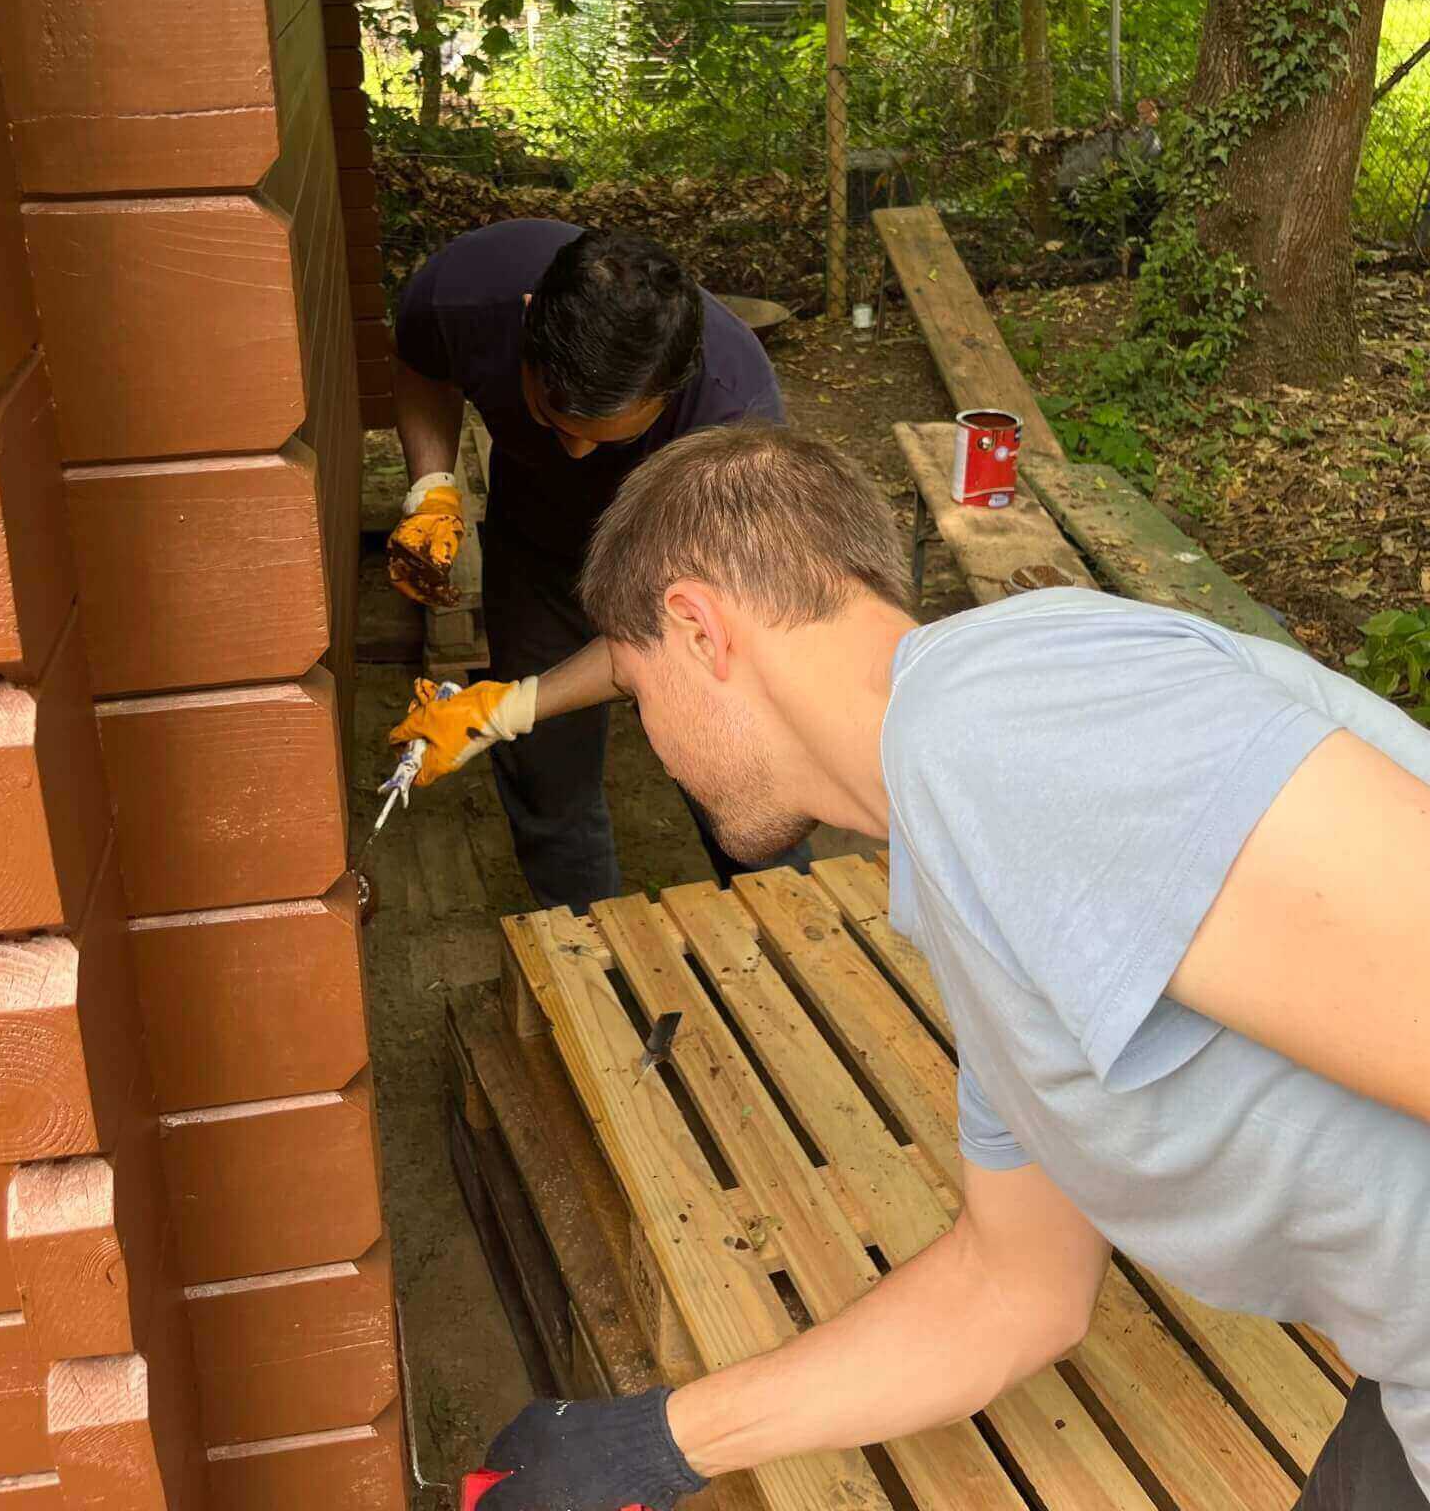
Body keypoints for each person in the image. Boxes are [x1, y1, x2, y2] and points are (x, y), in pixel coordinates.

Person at [473, 421, 1430, 1511]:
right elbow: (1014, 1290)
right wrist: (652, 1443)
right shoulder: (972, 843)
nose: (656, 737)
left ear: (697, 628)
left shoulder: (1003, 727)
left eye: (642, 695)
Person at [386, 219, 805, 912]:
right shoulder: (463, 295)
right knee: (548, 778)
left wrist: (507, 705)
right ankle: (589, 954)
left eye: (609, 437)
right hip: (539, 545)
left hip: (680, 573)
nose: (576, 455)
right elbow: (422, 366)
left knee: (736, 771)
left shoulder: (736, 418)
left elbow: (660, 640)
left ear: (677, 387)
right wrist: (430, 487)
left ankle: (794, 932)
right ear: (528, 326)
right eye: (554, 419)